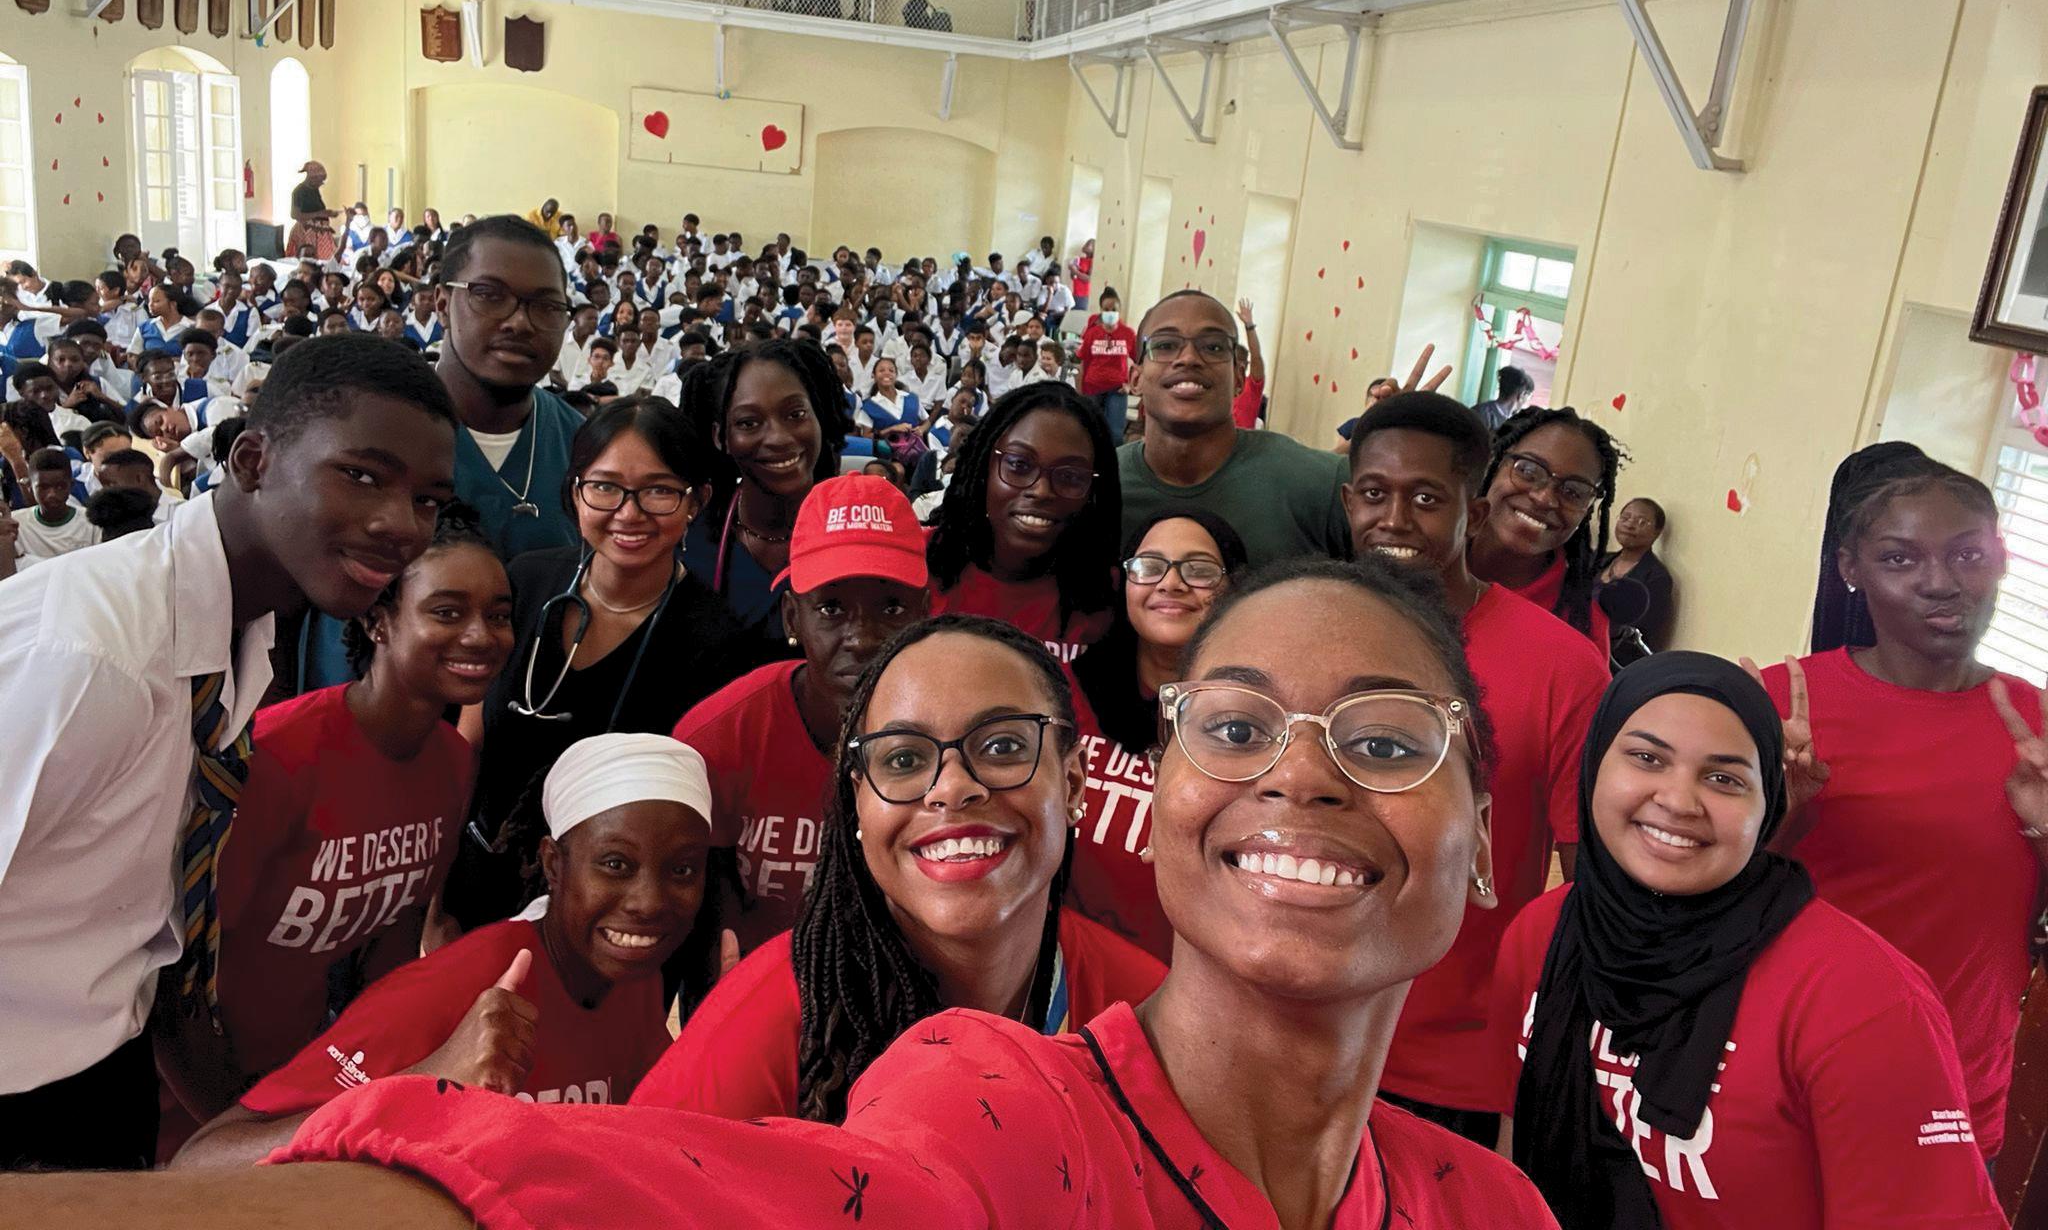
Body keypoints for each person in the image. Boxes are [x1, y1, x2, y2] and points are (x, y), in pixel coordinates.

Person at [104, 558, 1561, 1229]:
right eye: (1237, 728)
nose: (1301, 778)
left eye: (1386, 744)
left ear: (1083, 782)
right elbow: (643, 1190)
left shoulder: (1491, 1206)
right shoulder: (985, 1096)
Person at [0, 334, 457, 1171]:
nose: (401, 525)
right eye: (362, 475)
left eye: (427, 500)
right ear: (252, 460)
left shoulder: (235, 633)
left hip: (106, 1058)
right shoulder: (93, 660)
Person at [1496, 652, 2003, 1229]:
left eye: (1724, 779)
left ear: (1767, 808)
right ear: (1593, 764)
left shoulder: (1863, 1001)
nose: (1678, 801)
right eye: (1646, 758)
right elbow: (1516, 1152)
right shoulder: (1543, 932)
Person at [641, 613, 1166, 1121]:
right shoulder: (766, 1018)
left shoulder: (1145, 1011)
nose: (952, 787)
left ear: (1073, 784)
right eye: (904, 759)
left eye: (1002, 746)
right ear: (859, 803)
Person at [172, 733, 718, 1168]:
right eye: (616, 865)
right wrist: (428, 1080)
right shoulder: (462, 987)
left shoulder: (632, 976)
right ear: (554, 864)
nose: (650, 902)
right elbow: (202, 1162)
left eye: (682, 870)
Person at [154, 512, 512, 1132]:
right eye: (448, 612)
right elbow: (173, 979)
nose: (481, 636)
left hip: (304, 1074)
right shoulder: (278, 759)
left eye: (499, 615)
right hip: (194, 1091)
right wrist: (234, 1134)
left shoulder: (452, 763)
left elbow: (393, 944)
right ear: (378, 620)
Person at [1759, 443, 2044, 1164]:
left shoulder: (2037, 726)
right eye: (1899, 558)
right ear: (1850, 569)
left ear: (2002, 560)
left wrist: (2044, 828)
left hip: (1958, 1087)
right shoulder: (1780, 705)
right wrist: (1789, 816)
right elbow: (1692, 904)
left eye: (1968, 555)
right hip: (1784, 1073)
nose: (1941, 583)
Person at [1342, 393, 1607, 1140]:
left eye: (1427, 499)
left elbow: (1589, 885)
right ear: (1348, 502)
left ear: (1476, 513)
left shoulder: (1562, 668)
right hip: (1287, 1023)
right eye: (1374, 494)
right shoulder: (1301, 628)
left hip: (1447, 1063)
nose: (1396, 520)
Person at [445, 397, 753, 935]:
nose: (628, 514)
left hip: (606, 918)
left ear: (696, 501)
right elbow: (468, 746)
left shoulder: (716, 642)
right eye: (605, 487)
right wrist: (436, 901)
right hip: (477, 883)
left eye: (658, 491)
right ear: (575, 491)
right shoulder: (524, 583)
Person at [673, 474, 930, 956]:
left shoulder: (958, 741)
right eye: (831, 608)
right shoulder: (721, 738)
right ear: (792, 617)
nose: (862, 637)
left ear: (925, 613)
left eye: (892, 607)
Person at [1066, 508, 1248, 959]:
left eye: (1199, 570)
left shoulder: (1258, 722)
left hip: (1193, 976)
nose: (1171, 583)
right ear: (1124, 582)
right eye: (1150, 566)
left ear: (1234, 590)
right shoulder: (1063, 693)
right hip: (1067, 968)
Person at [1117, 290, 1352, 566]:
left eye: (1213, 347)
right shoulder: (1099, 487)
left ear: (1239, 377)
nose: (1189, 358)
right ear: (1135, 379)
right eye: (1165, 345)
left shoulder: (1323, 485)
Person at [927, 383, 1119, 661]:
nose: (1041, 491)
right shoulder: (918, 562)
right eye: (1019, 465)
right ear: (983, 469)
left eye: (1070, 476)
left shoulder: (1107, 592)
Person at [679, 340, 845, 648]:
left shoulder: (857, 531)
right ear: (720, 437)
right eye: (748, 423)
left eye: (796, 414)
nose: (779, 438)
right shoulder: (692, 545)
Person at [436, 218, 584, 559]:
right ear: (443, 305)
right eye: (489, 295)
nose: (519, 322)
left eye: (547, 306)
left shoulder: (583, 445)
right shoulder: (383, 435)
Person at [1469, 406, 1622, 656]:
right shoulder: (1429, 557)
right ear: (1494, 463)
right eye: (1528, 471)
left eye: (1573, 491)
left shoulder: (1580, 625)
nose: (1544, 498)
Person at [1598, 496, 1676, 650]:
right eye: (1625, 518)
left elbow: (1643, 633)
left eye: (1641, 522)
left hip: (1617, 655)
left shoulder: (1656, 577)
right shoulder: (1597, 560)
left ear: (1657, 532)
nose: (1629, 525)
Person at [8, 445, 97, 566]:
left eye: (60, 487)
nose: (52, 494)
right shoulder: (16, 525)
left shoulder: (91, 521)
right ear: (29, 487)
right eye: (43, 487)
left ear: (71, 485)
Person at [1230, 296, 1266, 428]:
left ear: (1245, 365)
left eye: (1241, 363)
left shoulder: (1251, 386)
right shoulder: (1220, 386)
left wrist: (1249, 326)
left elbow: (1256, 356)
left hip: (1243, 439)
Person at [1475, 364, 1535, 432]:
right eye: (1530, 396)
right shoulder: (1483, 414)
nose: (1528, 400)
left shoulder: (1482, 411)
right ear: (1522, 394)